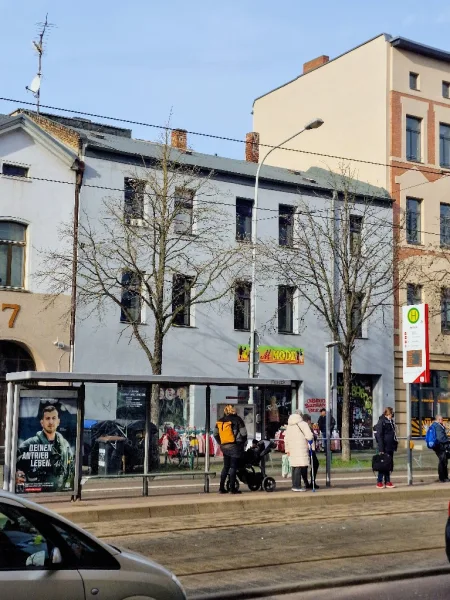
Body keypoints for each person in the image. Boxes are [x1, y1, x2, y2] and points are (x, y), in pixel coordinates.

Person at [16, 404, 74, 492]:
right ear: (42, 422)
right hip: (36, 491)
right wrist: (16, 473)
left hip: (59, 491)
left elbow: (71, 466)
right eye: (47, 418)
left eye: (54, 418)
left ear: (58, 422)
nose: (51, 422)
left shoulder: (65, 444)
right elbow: (13, 458)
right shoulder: (32, 442)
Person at [214, 405, 247, 494]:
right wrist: (242, 443)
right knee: (233, 467)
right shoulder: (238, 420)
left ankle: (221, 488)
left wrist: (221, 443)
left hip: (224, 447)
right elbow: (244, 434)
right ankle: (232, 488)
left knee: (226, 467)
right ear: (233, 411)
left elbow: (215, 434)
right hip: (235, 447)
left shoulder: (220, 421)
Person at [284, 412, 313, 492]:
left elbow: (286, 438)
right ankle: (297, 486)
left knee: (294, 466)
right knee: (299, 466)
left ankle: (294, 484)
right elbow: (309, 436)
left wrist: (287, 449)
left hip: (292, 448)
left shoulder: (289, 426)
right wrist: (310, 439)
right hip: (301, 448)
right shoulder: (303, 424)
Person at [374, 406, 398, 489]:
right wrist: (381, 448)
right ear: (388, 413)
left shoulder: (391, 422)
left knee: (388, 465)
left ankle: (387, 481)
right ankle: (379, 481)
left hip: (390, 446)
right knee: (383, 464)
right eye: (391, 413)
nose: (392, 415)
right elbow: (379, 436)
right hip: (384, 447)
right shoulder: (382, 422)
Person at [429, 415, 450, 483]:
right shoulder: (437, 426)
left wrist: (444, 427)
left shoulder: (436, 425)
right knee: (443, 461)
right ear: (438, 419)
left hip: (438, 446)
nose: (442, 421)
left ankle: (444, 477)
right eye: (441, 419)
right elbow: (441, 438)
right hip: (440, 446)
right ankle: (443, 478)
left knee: (443, 460)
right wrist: (448, 441)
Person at [303, 414, 320, 489]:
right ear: (308, 420)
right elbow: (311, 437)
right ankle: (311, 481)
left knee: (305, 466)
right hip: (309, 449)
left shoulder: (303, 427)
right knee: (314, 464)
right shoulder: (307, 427)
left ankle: (307, 482)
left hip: (304, 449)